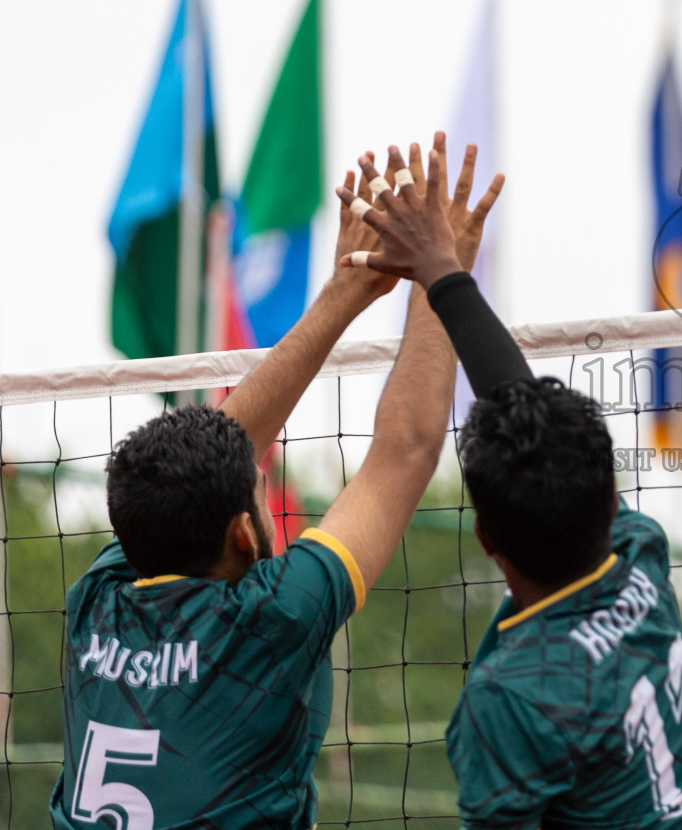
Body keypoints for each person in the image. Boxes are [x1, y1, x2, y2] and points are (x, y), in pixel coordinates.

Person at [51, 135, 499, 829]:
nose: (268, 488)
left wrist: (341, 298)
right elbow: (404, 452)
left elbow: (225, 447)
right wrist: (442, 272)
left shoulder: (98, 605)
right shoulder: (270, 621)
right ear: (240, 531)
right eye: (261, 490)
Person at [339, 152, 682, 828]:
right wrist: (443, 272)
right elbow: (523, 405)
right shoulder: (639, 557)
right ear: (607, 497)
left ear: (486, 541)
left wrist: (442, 272)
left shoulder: (511, 698)